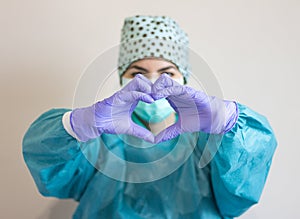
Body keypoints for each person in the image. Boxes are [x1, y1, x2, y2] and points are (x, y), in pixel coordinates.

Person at [23, 15, 277, 219]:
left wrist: (230, 121)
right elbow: (49, 171)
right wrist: (74, 126)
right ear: (122, 78)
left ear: (184, 80)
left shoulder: (211, 148)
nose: (153, 84)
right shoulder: (98, 146)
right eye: (137, 73)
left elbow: (238, 198)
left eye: (168, 73)